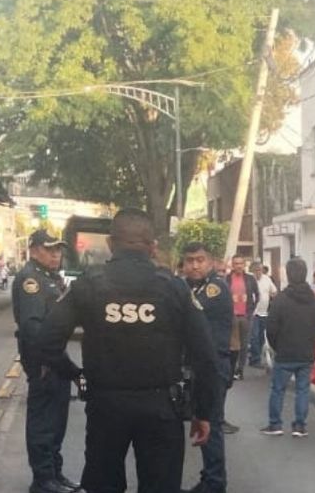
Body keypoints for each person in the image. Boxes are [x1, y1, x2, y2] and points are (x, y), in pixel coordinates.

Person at [36, 209, 221, 493]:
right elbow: (206, 357)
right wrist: (203, 411)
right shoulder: (173, 288)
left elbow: (46, 342)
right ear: (153, 247)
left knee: (104, 485)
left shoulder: (87, 284)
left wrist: (75, 375)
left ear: (111, 243)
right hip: (162, 408)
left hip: (105, 405)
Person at [13, 230, 79, 493]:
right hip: (44, 363)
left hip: (55, 361)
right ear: (33, 250)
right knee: (44, 424)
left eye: (58, 249)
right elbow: (33, 330)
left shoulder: (50, 278)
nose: (55, 254)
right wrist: (56, 362)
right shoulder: (32, 280)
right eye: (49, 249)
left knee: (57, 423)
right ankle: (42, 480)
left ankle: (54, 473)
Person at [180, 242, 234, 493]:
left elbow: (188, 310)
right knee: (204, 420)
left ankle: (214, 483)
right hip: (200, 366)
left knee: (210, 423)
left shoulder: (215, 289)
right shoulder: (192, 287)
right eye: (189, 260)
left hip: (213, 367)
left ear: (211, 262)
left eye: (200, 260)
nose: (194, 265)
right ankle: (210, 477)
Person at [261, 258, 315, 437]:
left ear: (288, 275)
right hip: (307, 352)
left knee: (278, 389)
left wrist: (277, 346)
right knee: (303, 390)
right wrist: (311, 340)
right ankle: (300, 426)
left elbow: (271, 327)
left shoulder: (281, 299)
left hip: (285, 353)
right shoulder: (314, 300)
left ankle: (275, 424)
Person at [226, 256, 259, 380]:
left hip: (245, 316)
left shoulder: (250, 279)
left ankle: (240, 370)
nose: (238, 266)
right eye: (236, 263)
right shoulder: (227, 279)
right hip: (231, 317)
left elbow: (257, 295)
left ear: (244, 265)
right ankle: (231, 369)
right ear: (232, 265)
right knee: (233, 344)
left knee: (244, 344)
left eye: (240, 263)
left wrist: (250, 312)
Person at [248, 262, 278, 368]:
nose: (258, 272)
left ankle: (255, 356)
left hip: (264, 313)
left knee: (261, 337)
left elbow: (274, 291)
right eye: (256, 270)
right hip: (253, 313)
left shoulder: (267, 279)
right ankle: (255, 359)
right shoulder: (249, 279)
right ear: (252, 270)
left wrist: (271, 297)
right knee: (254, 336)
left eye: (260, 270)